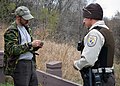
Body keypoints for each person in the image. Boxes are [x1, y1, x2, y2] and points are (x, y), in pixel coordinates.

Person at [74, 3, 115, 86]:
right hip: (106, 78)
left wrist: (76, 64)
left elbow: (88, 60)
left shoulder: (95, 34)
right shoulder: (107, 31)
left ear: (90, 18)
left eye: (85, 18)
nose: (84, 21)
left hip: (98, 80)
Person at [4, 6, 43, 86]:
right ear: (18, 17)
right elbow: (12, 50)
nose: (28, 21)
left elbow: (28, 47)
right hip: (20, 65)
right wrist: (30, 45)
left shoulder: (27, 28)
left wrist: (36, 46)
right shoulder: (11, 31)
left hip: (31, 63)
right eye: (25, 19)